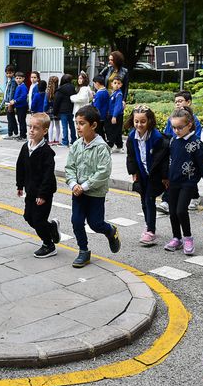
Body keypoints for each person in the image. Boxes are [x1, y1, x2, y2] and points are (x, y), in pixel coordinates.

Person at [66, 105, 120, 268]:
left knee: (96, 224)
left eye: (81, 123)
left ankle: (110, 231)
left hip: (95, 193)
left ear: (94, 125)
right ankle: (83, 250)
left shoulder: (102, 148)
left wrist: (85, 186)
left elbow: (103, 172)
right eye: (76, 123)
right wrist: (74, 184)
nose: (78, 127)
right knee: (76, 221)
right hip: (78, 192)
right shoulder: (76, 145)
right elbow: (70, 167)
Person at [165, 107, 203, 255]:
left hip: (188, 183)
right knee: (173, 212)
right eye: (173, 127)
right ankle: (176, 238)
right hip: (173, 182)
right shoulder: (173, 141)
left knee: (181, 210)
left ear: (189, 125)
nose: (176, 130)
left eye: (180, 127)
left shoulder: (197, 144)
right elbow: (170, 161)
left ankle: (187, 238)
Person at [16, 112, 61, 258]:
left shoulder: (47, 152)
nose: (31, 130)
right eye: (30, 127)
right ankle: (51, 227)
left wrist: (43, 195)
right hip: (30, 190)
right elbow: (20, 167)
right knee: (28, 216)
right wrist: (19, 185)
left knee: (38, 220)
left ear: (45, 131)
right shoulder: (25, 147)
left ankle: (49, 244)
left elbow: (48, 176)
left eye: (36, 128)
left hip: (44, 193)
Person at [125, 105, 169, 246]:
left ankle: (150, 230)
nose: (139, 124)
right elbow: (131, 156)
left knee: (150, 199)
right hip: (142, 173)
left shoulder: (157, 138)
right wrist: (133, 172)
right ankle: (148, 224)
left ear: (149, 121)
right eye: (136, 121)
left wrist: (165, 176)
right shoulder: (132, 137)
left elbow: (163, 160)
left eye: (143, 121)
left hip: (155, 175)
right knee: (144, 200)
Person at [156, 90, 202, 214]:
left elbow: (196, 138)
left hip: (188, 153)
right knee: (174, 175)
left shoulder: (194, 120)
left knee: (189, 175)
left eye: (180, 101)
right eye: (176, 102)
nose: (177, 104)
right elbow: (167, 134)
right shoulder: (171, 119)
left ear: (189, 102)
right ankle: (167, 201)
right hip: (174, 151)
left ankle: (192, 197)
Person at [54, 74, 77, 146]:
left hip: (63, 110)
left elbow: (57, 101)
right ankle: (73, 139)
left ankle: (65, 141)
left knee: (64, 126)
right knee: (72, 125)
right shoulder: (73, 88)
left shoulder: (60, 89)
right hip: (71, 109)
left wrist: (55, 111)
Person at [105, 76, 125, 150]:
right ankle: (119, 145)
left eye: (118, 83)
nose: (116, 85)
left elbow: (117, 106)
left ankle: (110, 145)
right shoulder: (114, 93)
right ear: (111, 84)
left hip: (116, 116)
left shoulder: (119, 94)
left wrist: (114, 116)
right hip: (112, 114)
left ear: (121, 85)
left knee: (113, 131)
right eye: (115, 83)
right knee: (117, 131)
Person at [8, 71, 29, 140]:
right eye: (17, 78)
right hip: (19, 106)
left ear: (23, 79)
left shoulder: (23, 87)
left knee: (21, 120)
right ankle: (22, 134)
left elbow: (23, 97)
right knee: (20, 120)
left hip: (22, 106)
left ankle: (23, 135)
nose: (18, 80)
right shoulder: (19, 86)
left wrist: (15, 101)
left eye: (20, 78)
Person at [2, 65, 18, 140]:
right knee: (12, 117)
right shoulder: (8, 81)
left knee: (10, 118)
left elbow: (12, 92)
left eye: (10, 73)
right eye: (7, 73)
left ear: (13, 73)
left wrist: (10, 104)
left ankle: (10, 133)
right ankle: (15, 132)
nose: (8, 74)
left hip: (9, 102)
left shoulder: (13, 81)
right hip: (7, 102)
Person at [91, 75, 109, 139]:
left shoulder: (99, 94)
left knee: (99, 132)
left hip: (99, 116)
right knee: (101, 131)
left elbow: (96, 107)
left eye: (94, 83)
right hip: (104, 115)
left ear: (97, 83)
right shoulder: (105, 91)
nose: (94, 85)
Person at [46, 76, 61, 145]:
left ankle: (50, 140)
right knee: (57, 124)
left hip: (50, 109)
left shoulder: (48, 92)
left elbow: (46, 103)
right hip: (58, 109)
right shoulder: (59, 90)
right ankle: (57, 139)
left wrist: (45, 109)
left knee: (51, 125)